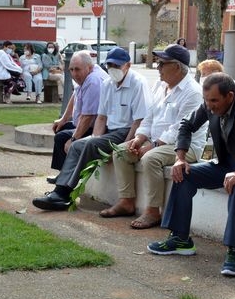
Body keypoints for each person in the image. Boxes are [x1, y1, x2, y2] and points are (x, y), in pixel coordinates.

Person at [147, 73, 235, 277]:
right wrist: (180, 158)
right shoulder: (210, 104)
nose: (209, 106)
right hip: (227, 165)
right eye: (206, 100)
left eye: (214, 101)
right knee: (184, 173)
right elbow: (186, 124)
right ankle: (180, 239)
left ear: (230, 96)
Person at [33, 47, 150, 211]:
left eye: (117, 66)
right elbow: (101, 117)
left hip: (127, 131)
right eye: (110, 65)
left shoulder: (138, 83)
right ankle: (60, 191)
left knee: (89, 145)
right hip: (110, 130)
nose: (113, 69)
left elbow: (139, 120)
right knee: (77, 145)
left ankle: (64, 193)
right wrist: (95, 136)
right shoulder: (108, 83)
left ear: (128, 65)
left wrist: (120, 148)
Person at [104, 44, 204, 230]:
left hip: (184, 147)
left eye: (162, 64)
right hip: (158, 142)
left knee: (150, 158)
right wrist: (139, 138)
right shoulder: (161, 85)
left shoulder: (193, 92)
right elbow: (150, 117)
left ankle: (152, 210)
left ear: (176, 66)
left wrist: (153, 145)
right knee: (120, 152)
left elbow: (180, 129)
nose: (157, 68)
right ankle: (126, 201)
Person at [47, 51, 105, 181]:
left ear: (89, 67)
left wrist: (73, 140)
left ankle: (67, 177)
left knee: (62, 137)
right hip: (87, 122)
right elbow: (76, 95)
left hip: (97, 128)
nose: (74, 74)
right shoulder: (84, 77)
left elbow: (88, 117)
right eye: (71, 70)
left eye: (77, 69)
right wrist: (64, 118)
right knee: (60, 128)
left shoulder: (93, 81)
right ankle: (64, 173)